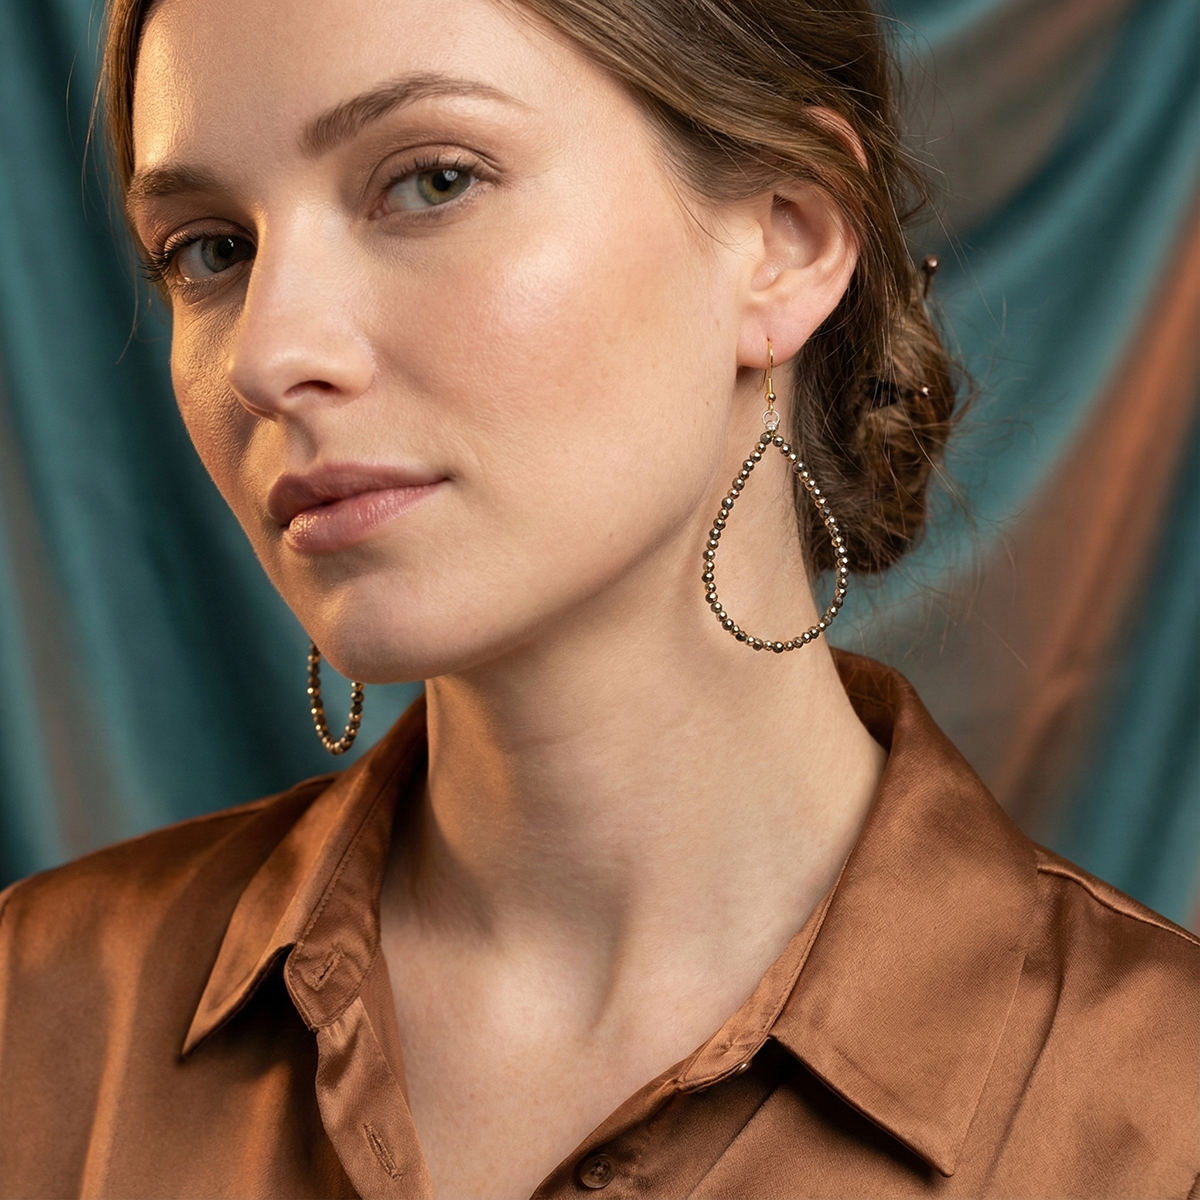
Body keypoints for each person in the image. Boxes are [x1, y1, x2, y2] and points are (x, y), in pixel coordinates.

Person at [0, 0, 1196, 1196]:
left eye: (429, 182)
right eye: (210, 249)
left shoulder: (1158, 1110)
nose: (269, 356)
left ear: (783, 240)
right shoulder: (34, 1020)